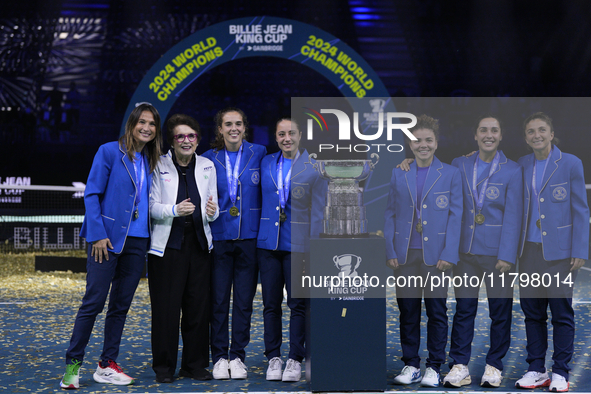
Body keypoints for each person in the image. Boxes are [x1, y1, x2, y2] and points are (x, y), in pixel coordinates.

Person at [60, 103, 162, 389]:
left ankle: (106, 364)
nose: (146, 128)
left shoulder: (153, 161)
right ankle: (73, 366)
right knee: (93, 303)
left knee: (120, 307)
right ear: (131, 124)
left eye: (152, 124)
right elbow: (92, 194)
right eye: (142, 122)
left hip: (138, 241)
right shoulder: (108, 151)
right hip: (106, 240)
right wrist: (97, 234)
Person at [443, 116, 523, 388]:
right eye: (483, 130)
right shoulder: (460, 164)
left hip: (496, 255)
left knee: (500, 312)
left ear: (501, 136)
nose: (489, 134)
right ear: (475, 135)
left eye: (494, 130)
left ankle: (494, 366)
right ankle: (459, 365)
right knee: (464, 310)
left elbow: (514, 216)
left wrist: (507, 255)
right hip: (465, 252)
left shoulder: (512, 170)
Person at [384, 114, 462, 388]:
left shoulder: (451, 173)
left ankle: (434, 366)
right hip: (405, 256)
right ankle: (411, 364)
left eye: (428, 140)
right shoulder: (399, 172)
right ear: (410, 144)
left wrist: (450, 253)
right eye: (417, 140)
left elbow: (456, 216)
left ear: (437, 143)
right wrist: (390, 248)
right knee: (408, 311)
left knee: (436, 311)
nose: (423, 144)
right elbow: (390, 213)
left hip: (436, 257)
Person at [514, 112, 588, 393]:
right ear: (525, 137)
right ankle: (536, 368)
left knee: (561, 313)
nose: (537, 135)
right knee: (532, 314)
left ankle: (560, 371)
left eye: (542, 130)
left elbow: (581, 209)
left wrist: (580, 248)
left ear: (551, 134)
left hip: (560, 254)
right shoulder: (521, 164)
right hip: (528, 252)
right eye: (531, 131)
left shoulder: (570, 163)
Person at [147, 114, 219, 383]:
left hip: (200, 246)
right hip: (167, 248)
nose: (186, 141)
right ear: (172, 141)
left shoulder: (208, 166)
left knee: (198, 310)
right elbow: (151, 207)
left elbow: (213, 207)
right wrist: (174, 210)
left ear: (198, 140)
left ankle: (195, 366)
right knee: (166, 311)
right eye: (180, 136)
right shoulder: (158, 165)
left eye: (191, 136)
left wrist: (212, 212)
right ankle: (164, 369)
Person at [257, 118, 325, 382]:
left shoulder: (314, 167)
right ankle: (273, 357)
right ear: (275, 137)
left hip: (299, 245)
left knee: (297, 304)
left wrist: (315, 246)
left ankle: (296, 358)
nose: (287, 138)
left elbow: (319, 210)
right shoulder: (266, 162)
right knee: (270, 304)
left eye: (291, 133)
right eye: (281, 134)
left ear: (300, 136)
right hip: (268, 244)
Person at [202, 107, 266, 380]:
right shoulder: (206, 159)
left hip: (249, 239)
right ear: (219, 129)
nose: (233, 129)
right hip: (219, 238)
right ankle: (219, 357)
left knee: (243, 302)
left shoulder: (259, 153)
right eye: (228, 124)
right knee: (218, 302)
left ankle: (238, 356)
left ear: (245, 127)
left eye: (238, 123)